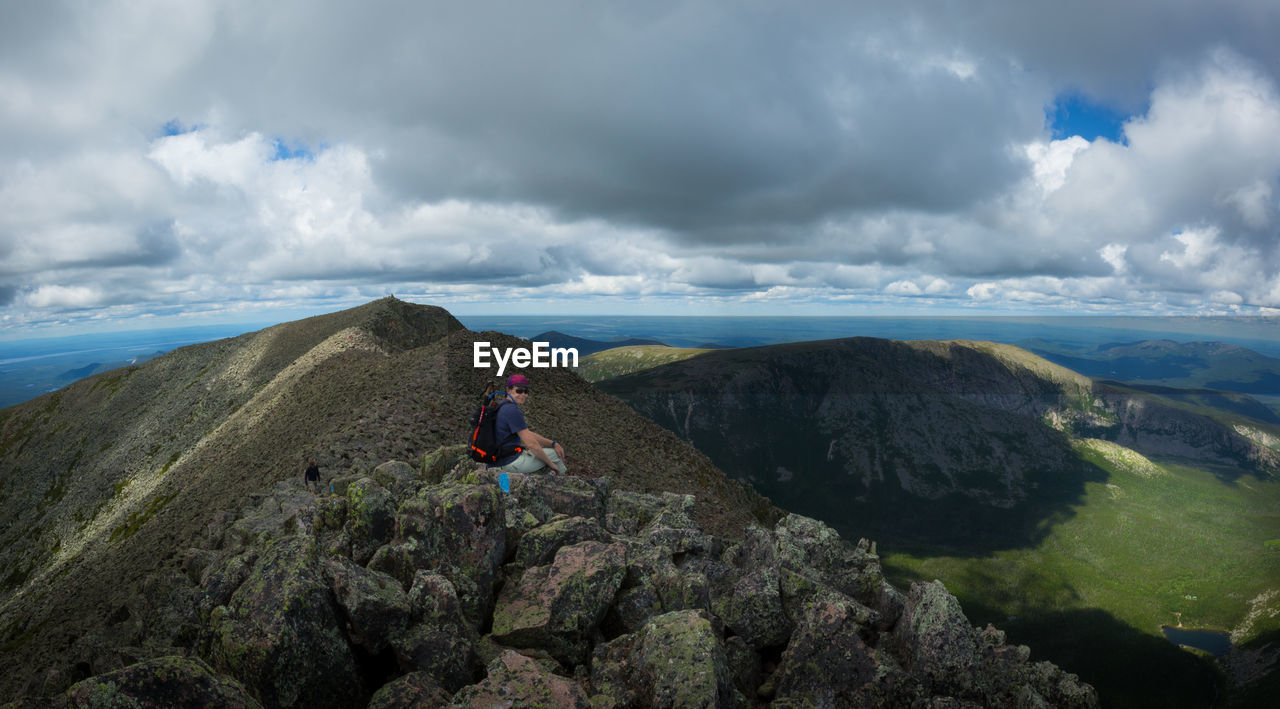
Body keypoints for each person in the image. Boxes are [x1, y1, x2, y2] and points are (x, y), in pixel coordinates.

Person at [490, 374, 567, 475]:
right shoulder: (512, 411)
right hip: (510, 463)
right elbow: (532, 445)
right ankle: (565, 481)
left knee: (550, 451)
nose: (523, 395)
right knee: (556, 454)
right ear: (508, 390)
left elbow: (527, 434)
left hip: (499, 460)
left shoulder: (501, 406)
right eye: (519, 391)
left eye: (526, 391)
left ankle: (562, 479)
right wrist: (551, 464)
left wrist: (553, 443)